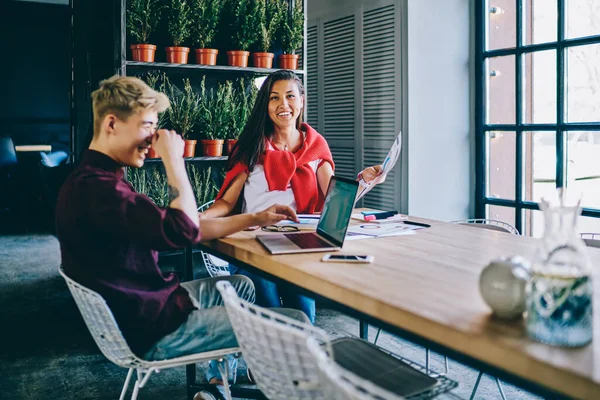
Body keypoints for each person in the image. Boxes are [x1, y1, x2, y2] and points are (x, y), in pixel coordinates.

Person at [55, 76, 306, 393]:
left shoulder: (96, 182)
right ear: (111, 124)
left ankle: (219, 387)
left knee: (240, 285)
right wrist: (175, 161)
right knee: (295, 322)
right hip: (152, 329)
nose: (152, 139)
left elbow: (189, 227)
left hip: (151, 306)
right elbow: (185, 227)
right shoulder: (100, 191)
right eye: (147, 126)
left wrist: (255, 217)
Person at [201, 70, 384, 324]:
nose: (282, 105)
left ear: (302, 101)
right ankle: (262, 362)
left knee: (303, 316)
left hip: (297, 247)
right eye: (274, 98)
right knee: (269, 312)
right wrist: (198, 218)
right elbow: (227, 202)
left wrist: (364, 182)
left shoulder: (316, 146)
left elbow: (334, 200)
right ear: (265, 105)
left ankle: (295, 362)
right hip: (253, 244)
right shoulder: (252, 146)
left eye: (289, 96)